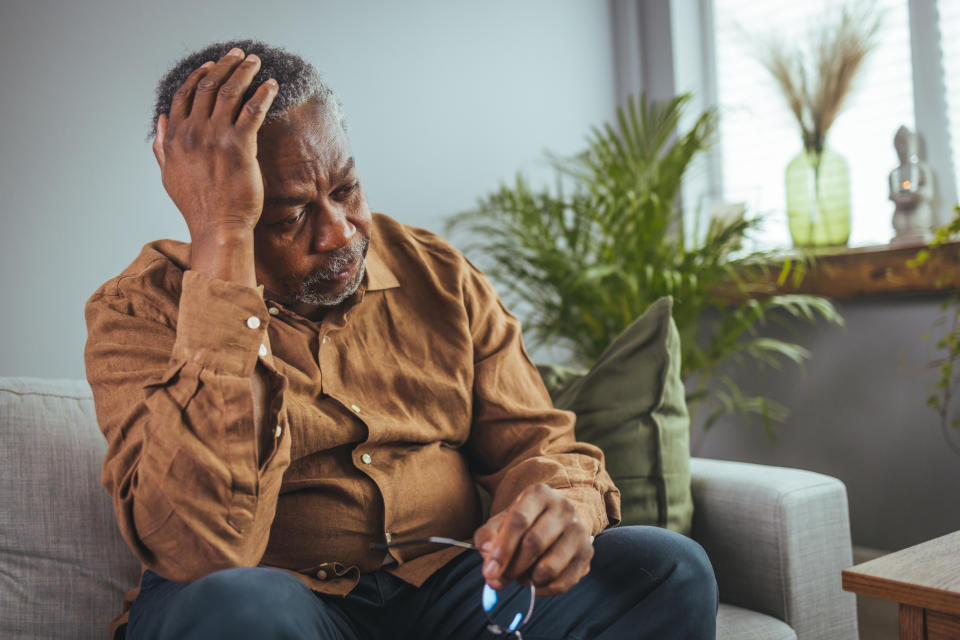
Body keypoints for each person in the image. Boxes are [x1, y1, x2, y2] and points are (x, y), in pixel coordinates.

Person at [84, 39, 718, 640]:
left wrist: (560, 512)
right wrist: (222, 238)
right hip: (274, 600)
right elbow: (200, 549)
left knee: (664, 568)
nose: (338, 232)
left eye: (346, 189)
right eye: (289, 215)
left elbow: (538, 442)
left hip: (452, 592)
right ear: (213, 203)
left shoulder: (436, 272)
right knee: (235, 606)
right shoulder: (140, 309)